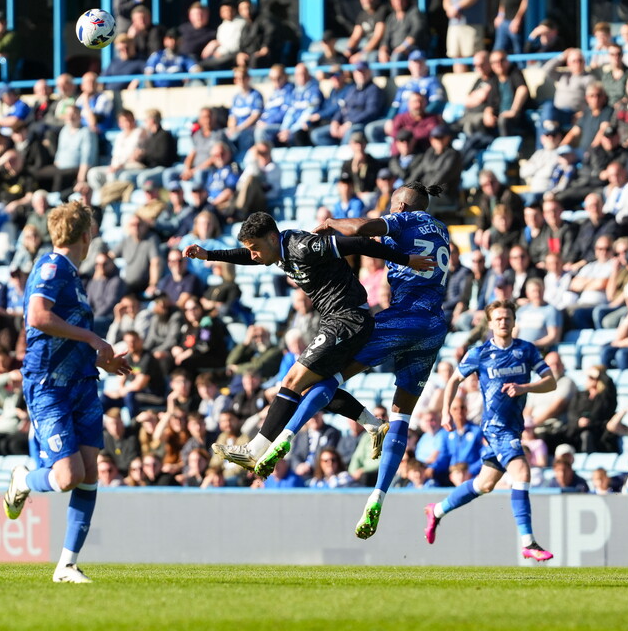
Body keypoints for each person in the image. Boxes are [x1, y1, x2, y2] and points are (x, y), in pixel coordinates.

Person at [256, 183, 451, 538]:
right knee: (401, 417)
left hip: (404, 317)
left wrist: (331, 222)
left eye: (392, 206)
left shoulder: (406, 219)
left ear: (402, 205)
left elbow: (362, 229)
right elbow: (379, 246)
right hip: (435, 327)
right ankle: (378, 496)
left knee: (326, 376)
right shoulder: (441, 229)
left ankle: (284, 437)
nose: (390, 211)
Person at [184, 211, 436, 476]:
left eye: (256, 248)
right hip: (335, 320)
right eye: (251, 250)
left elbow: (359, 243)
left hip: (348, 318)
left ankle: (256, 449)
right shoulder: (275, 251)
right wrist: (209, 255)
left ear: (272, 237)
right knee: (312, 388)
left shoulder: (302, 247)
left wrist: (407, 260)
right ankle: (374, 425)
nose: (254, 255)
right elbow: (247, 255)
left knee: (292, 380)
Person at [1, 201, 129, 584]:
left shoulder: (73, 276)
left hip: (82, 383)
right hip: (49, 385)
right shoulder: (52, 267)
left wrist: (100, 357)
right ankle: (23, 480)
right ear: (86, 235)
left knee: (89, 473)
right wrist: (93, 336)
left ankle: (66, 566)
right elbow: (37, 316)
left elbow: (64, 331)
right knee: (67, 476)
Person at [424, 299, 556, 562]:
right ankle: (528, 542)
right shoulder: (479, 353)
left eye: (507, 318)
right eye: (498, 319)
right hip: (496, 428)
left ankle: (437, 510)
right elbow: (453, 380)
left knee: (484, 484)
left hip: (514, 428)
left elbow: (550, 382)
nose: (503, 322)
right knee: (521, 470)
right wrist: (446, 411)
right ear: (491, 323)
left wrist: (524, 388)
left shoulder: (526, 350)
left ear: (514, 321)